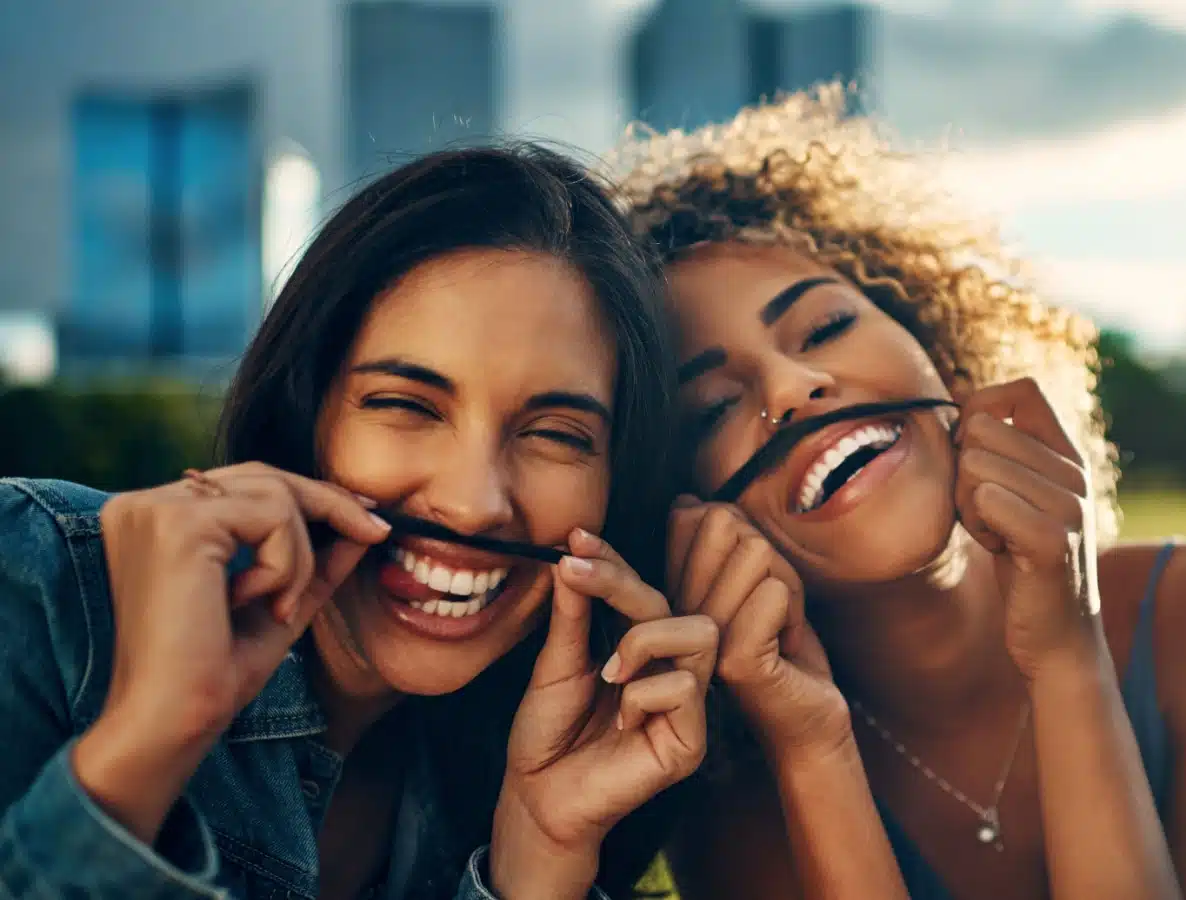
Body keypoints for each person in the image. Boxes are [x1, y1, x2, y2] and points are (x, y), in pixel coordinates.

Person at [611, 84, 1186, 900]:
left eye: (824, 328)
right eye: (709, 410)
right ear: (680, 522)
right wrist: (814, 748)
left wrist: (1067, 658)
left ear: (942, 357)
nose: (791, 384)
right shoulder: (724, 792)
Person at [0, 144, 717, 900]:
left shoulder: (522, 778)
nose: (474, 503)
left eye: (555, 435)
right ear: (305, 409)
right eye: (407, 406)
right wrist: (144, 747)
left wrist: (538, 860)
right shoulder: (36, 580)